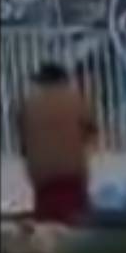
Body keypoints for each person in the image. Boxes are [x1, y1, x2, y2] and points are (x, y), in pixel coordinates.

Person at [16, 62, 98, 223]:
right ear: (64, 80)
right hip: (72, 173)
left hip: (42, 177)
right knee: (77, 219)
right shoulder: (76, 100)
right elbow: (92, 132)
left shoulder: (27, 106)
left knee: (47, 223)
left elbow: (24, 145)